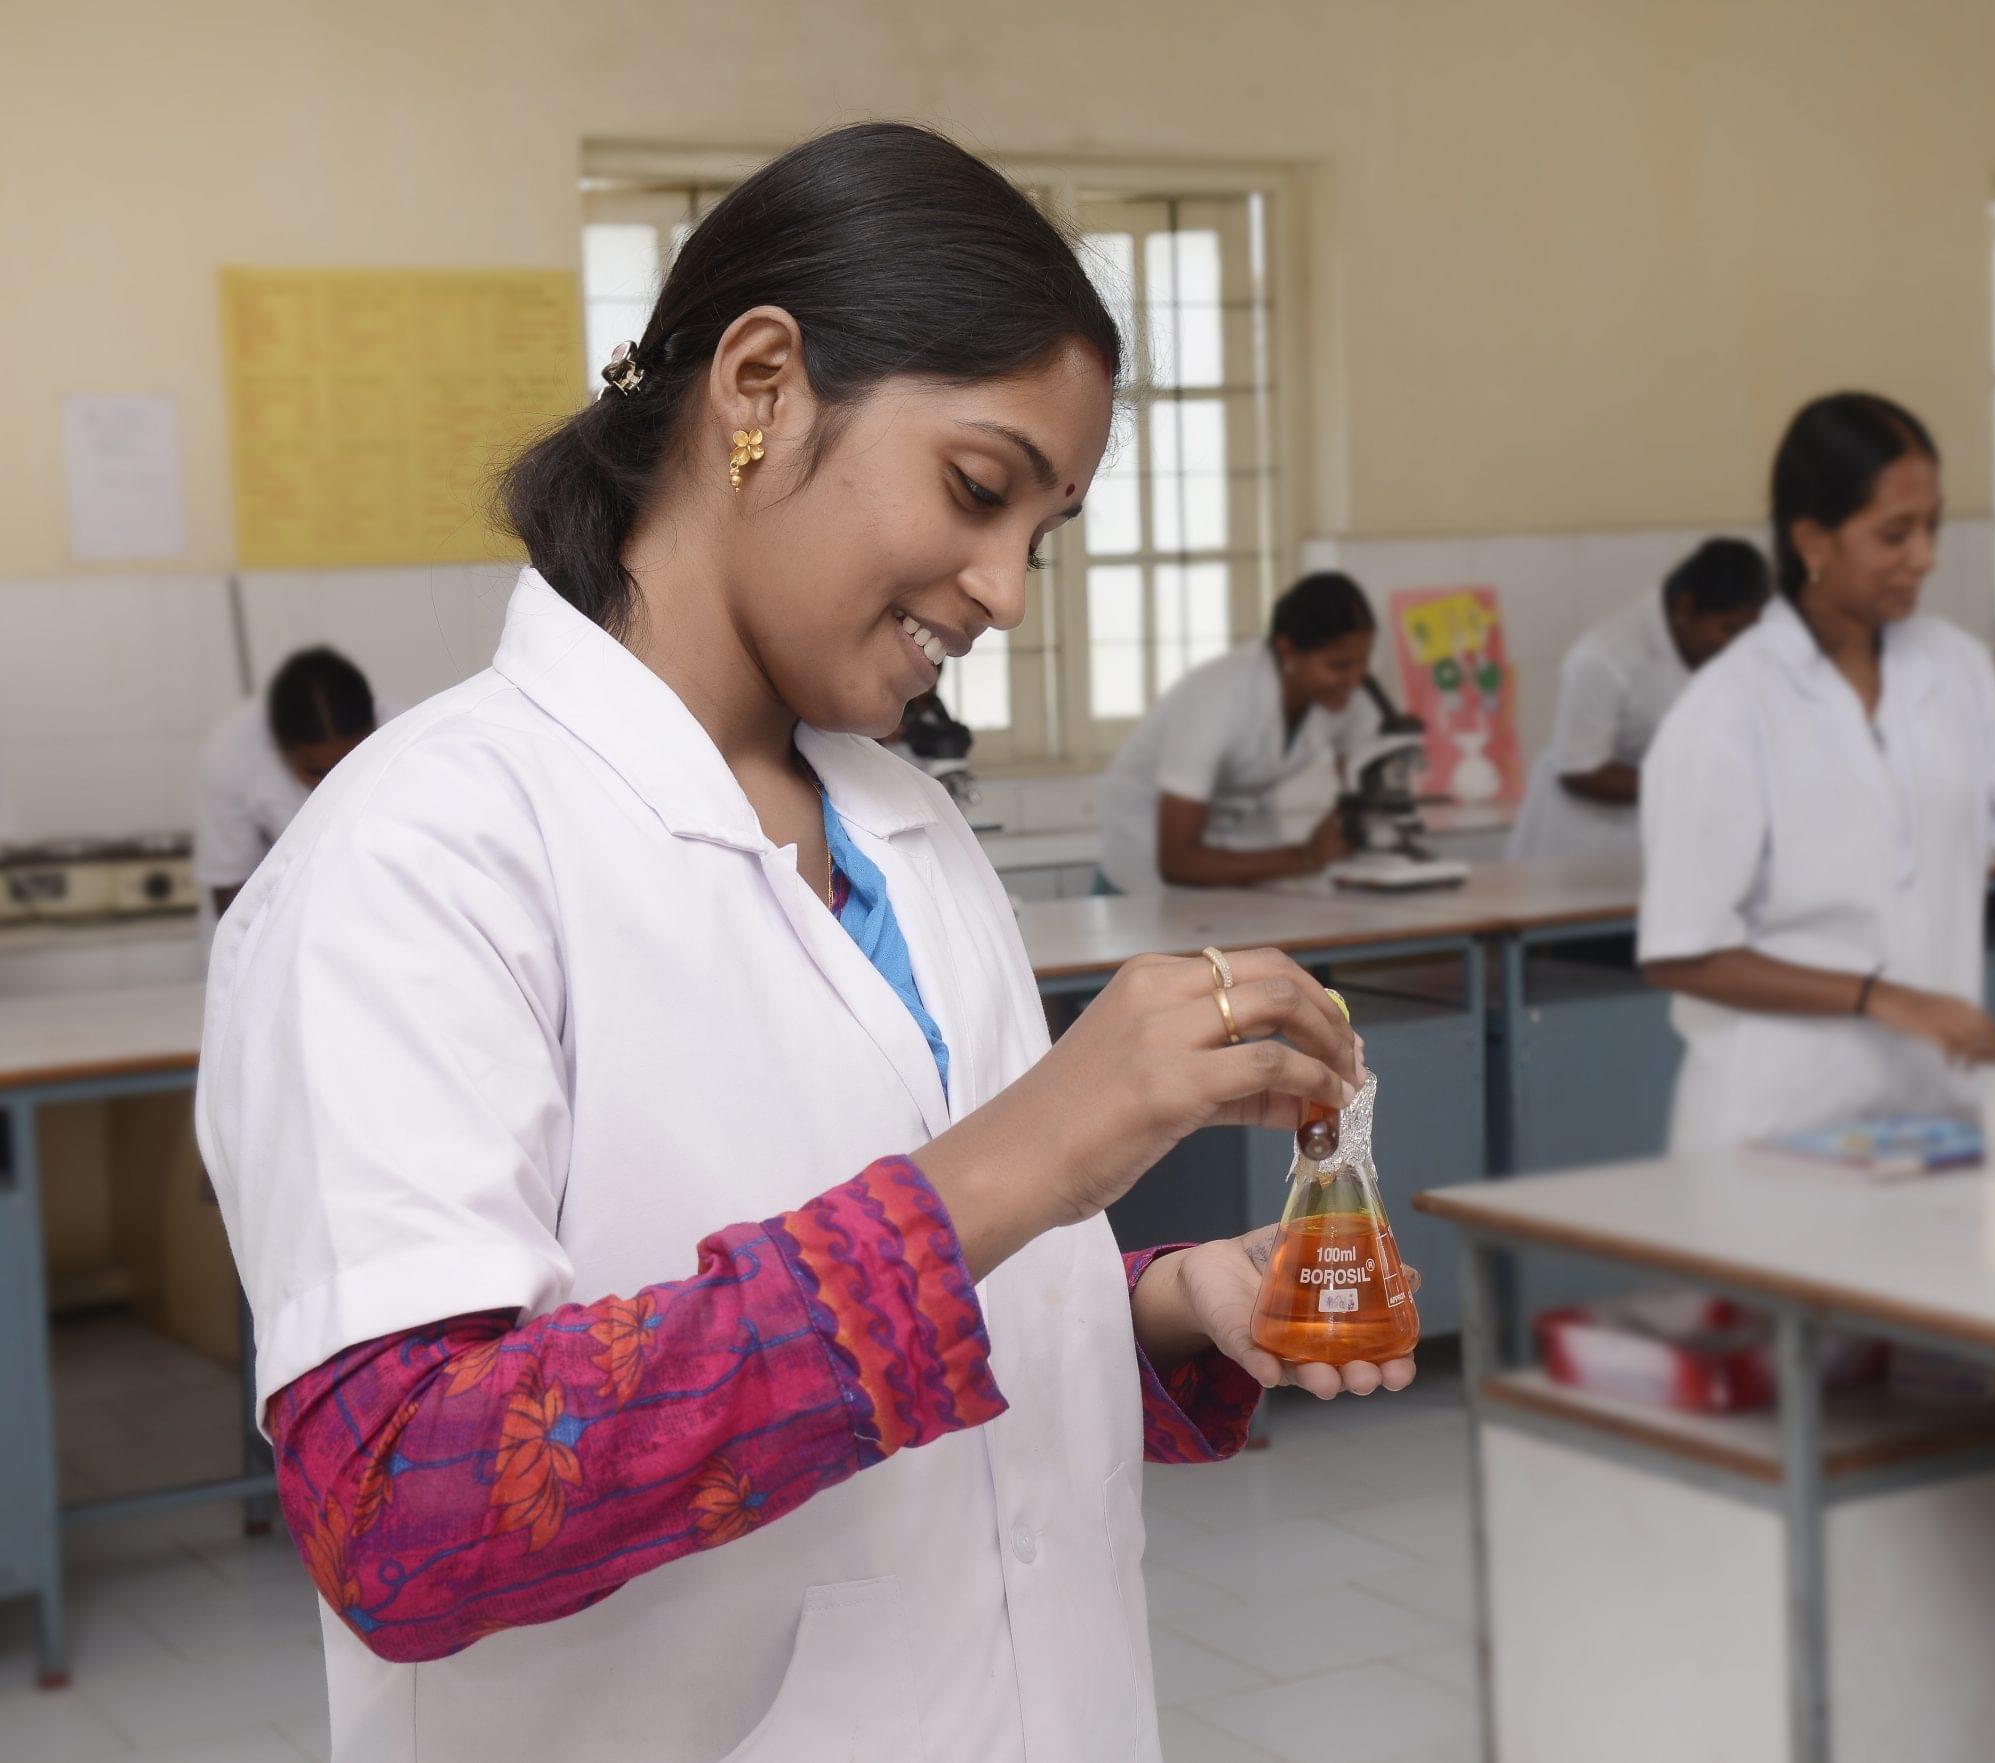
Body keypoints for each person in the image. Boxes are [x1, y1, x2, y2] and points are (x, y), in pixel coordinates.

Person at [197, 123, 1410, 1763]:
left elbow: (939, 1361)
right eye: (980, 489)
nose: (1002, 590)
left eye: (1043, 531)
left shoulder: (906, 832)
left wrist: (1165, 1302)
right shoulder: (424, 855)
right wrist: (1036, 1146)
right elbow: (405, 1510)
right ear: (758, 386)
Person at [1637, 392, 1995, 1152]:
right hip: (1777, 1128)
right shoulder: (1730, 709)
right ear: (1813, 538)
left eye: (1932, 526)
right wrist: (1881, 998)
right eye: (1896, 533)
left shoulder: (1951, 667)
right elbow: (1681, 951)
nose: (1926, 556)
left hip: (1933, 1118)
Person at [1096, 571, 1385, 894]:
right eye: (1339, 666)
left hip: (1241, 828)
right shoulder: (1218, 698)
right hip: (1147, 848)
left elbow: (1364, 787)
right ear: (1287, 650)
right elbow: (1177, 862)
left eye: (1363, 663)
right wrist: (1305, 857)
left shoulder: (1346, 697)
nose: (1355, 679)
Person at [1505, 537, 1770, 863]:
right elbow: (1579, 770)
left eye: (1750, 632)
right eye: (1729, 630)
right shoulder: (1604, 657)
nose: (1739, 645)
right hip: (1583, 846)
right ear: (1685, 608)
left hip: (1664, 838)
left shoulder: (1731, 655)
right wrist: (1690, 786)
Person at [194, 646, 383, 917]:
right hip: (271, 926)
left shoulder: (412, 738)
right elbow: (231, 892)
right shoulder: (230, 755)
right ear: (281, 749)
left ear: (376, 732)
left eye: (350, 764)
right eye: (317, 771)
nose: (336, 782)